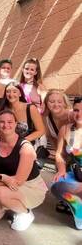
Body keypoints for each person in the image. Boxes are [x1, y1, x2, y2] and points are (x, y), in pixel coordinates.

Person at [0, 109, 47, 231]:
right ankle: (8, 205)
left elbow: (19, 181)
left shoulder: (25, 147)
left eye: (10, 122)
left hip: (27, 185)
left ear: (16, 124)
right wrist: (2, 178)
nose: (6, 125)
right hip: (5, 182)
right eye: (2, 122)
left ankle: (25, 212)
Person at [51, 97, 82, 230]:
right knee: (57, 185)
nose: (79, 114)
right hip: (75, 173)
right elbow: (59, 153)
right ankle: (76, 204)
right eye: (76, 110)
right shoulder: (66, 129)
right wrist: (62, 169)